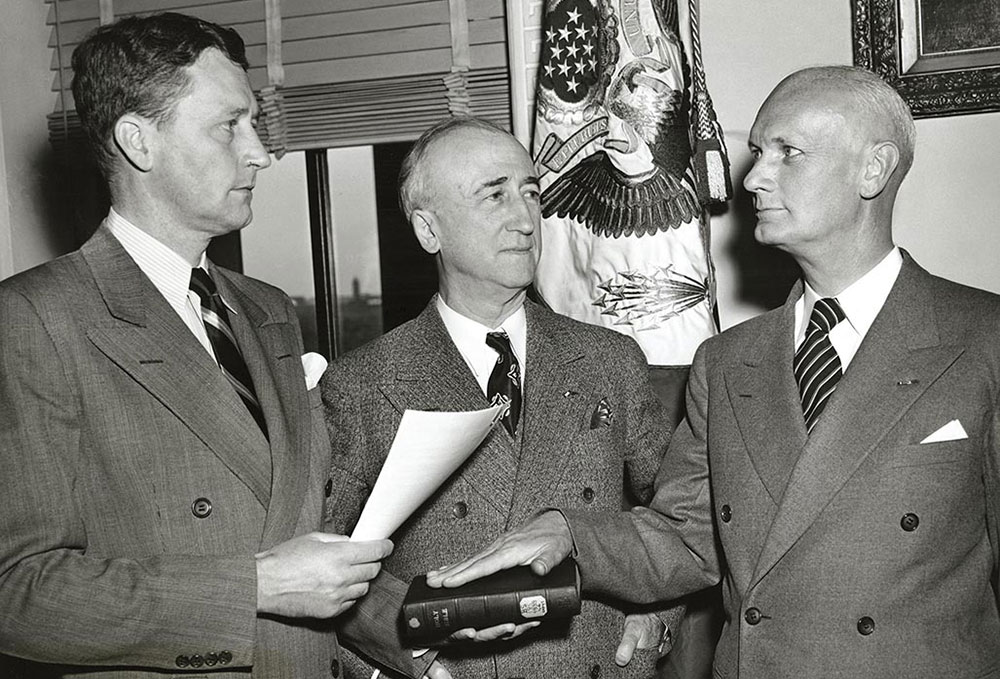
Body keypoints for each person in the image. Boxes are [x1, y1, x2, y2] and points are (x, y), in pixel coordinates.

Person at [427, 65, 1000, 678]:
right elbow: (685, 537)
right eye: (758, 152)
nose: (753, 177)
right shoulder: (726, 363)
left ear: (874, 169)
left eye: (788, 153)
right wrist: (568, 534)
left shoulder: (982, 339)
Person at [0, 12, 422, 678]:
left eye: (253, 123)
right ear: (140, 141)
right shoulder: (35, 319)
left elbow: (304, 543)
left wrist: (431, 630)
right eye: (230, 125)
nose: (259, 151)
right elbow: (17, 595)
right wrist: (253, 586)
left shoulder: (267, 308)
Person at [321, 116, 684, 679]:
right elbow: (325, 564)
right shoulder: (362, 384)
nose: (524, 219)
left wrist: (659, 611)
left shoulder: (610, 359)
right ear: (428, 230)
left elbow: (682, 511)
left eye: (531, 193)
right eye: (494, 196)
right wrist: (400, 664)